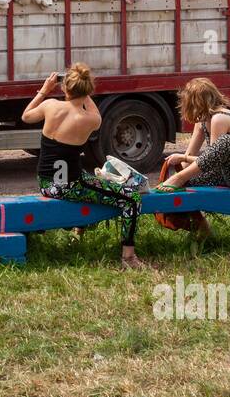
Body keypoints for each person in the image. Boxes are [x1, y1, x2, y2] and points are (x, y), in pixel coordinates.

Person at [21, 63, 148, 270]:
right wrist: (84, 92)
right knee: (132, 199)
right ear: (88, 90)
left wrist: (45, 89)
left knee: (94, 182)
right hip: (68, 186)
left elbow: (26, 116)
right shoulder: (90, 119)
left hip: (46, 183)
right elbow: (93, 111)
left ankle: (77, 234)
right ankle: (129, 257)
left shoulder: (51, 105)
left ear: (65, 88)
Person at [159, 79, 230, 240]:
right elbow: (191, 159)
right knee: (185, 180)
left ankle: (179, 179)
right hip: (225, 173)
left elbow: (215, 158)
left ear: (196, 102)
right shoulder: (203, 121)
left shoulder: (219, 118)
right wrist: (179, 167)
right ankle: (203, 228)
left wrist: (181, 169)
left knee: (226, 142)